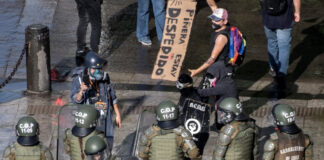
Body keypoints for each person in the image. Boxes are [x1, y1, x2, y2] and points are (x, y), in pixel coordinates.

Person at [70, 51, 122, 150]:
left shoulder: (104, 77)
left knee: (107, 141)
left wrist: (118, 114)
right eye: (95, 69)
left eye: (99, 69)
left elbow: (112, 96)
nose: (98, 71)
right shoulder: (79, 79)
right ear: (89, 68)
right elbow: (75, 100)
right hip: (89, 119)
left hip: (104, 116)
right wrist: (81, 91)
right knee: (91, 144)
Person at [260, 0, 301, 98]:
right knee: (284, 48)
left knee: (272, 43)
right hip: (284, 19)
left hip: (268, 18)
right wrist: (297, 12)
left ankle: (273, 69)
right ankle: (281, 75)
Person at [188, 8, 229, 77]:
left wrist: (196, 71)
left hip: (219, 70)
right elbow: (213, 5)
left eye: (217, 20)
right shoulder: (224, 28)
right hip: (220, 67)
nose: (213, 22)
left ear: (225, 21)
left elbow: (212, 59)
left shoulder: (221, 37)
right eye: (212, 18)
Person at [176, 73, 209, 156]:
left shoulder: (195, 99)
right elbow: (180, 108)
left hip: (190, 130)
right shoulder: (184, 95)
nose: (179, 90)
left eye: (180, 87)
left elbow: (197, 120)